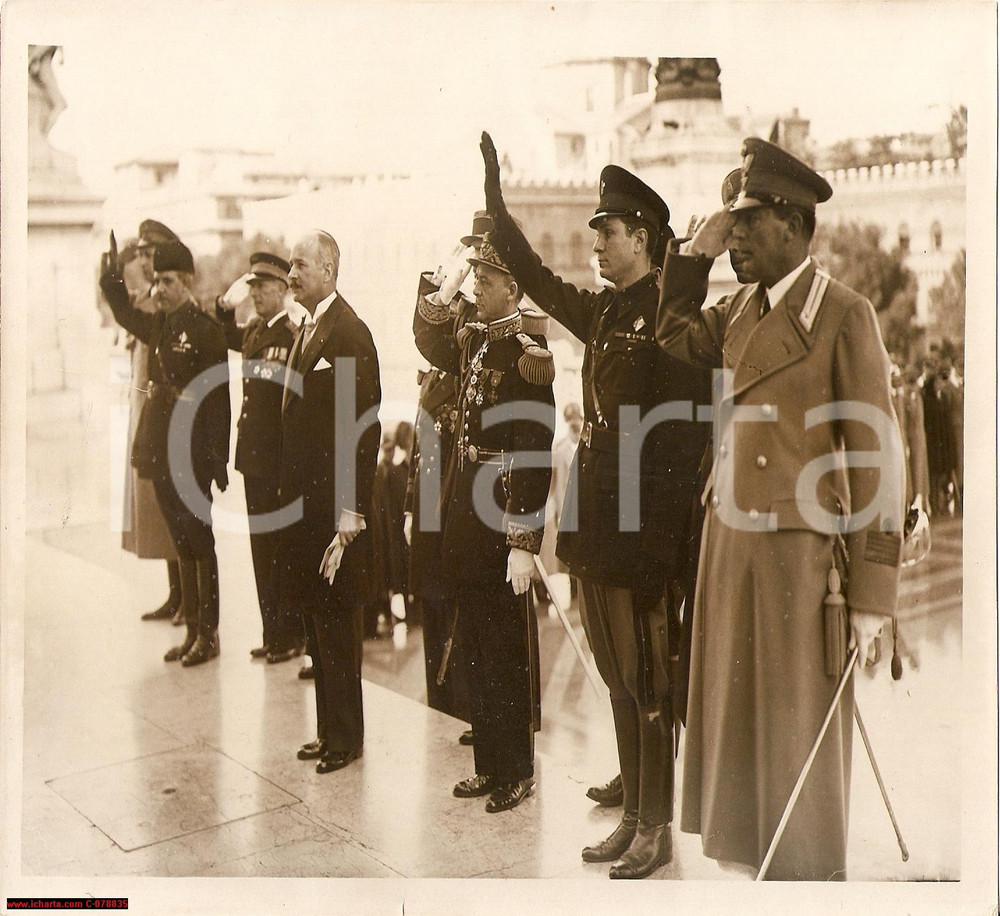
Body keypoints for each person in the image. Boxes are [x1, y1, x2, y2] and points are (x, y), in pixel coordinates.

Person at [656, 137, 905, 880]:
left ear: (793, 225)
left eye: (747, 223)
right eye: (731, 224)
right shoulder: (737, 311)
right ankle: (745, 866)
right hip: (730, 555)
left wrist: (873, 599)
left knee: (795, 745)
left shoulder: (844, 315)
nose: (734, 236)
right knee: (736, 739)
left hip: (800, 567)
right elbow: (671, 332)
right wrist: (693, 256)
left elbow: (879, 462)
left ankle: (802, 878)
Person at [479, 134, 711, 877]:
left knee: (649, 681)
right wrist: (497, 208)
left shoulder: (671, 319)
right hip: (599, 523)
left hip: (642, 533)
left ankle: (654, 826)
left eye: (607, 233)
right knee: (617, 675)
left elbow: (685, 443)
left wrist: (661, 546)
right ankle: (634, 810)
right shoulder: (607, 312)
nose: (597, 246)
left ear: (642, 238)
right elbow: (540, 282)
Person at [413, 231, 555, 814]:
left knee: (504, 647)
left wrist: (524, 540)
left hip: (500, 511)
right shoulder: (473, 340)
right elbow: (427, 336)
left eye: (485, 279)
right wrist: (444, 282)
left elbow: (535, 451)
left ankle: (516, 769)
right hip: (466, 511)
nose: (476, 286)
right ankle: (489, 765)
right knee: (473, 636)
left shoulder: (528, 355)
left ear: (513, 288)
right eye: (474, 277)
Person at [277, 230, 382, 774]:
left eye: (300, 265)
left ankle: (346, 737)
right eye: (290, 266)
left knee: (338, 624)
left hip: (334, 507)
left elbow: (363, 428)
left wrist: (352, 508)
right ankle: (327, 730)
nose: (290, 274)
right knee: (319, 624)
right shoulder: (309, 327)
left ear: (329, 269)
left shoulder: (348, 332)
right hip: (306, 505)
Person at [100, 237, 231, 666]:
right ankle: (192, 629)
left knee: (199, 541)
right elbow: (124, 313)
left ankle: (208, 633)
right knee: (180, 540)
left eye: (168, 281)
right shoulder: (159, 324)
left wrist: (217, 461)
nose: (159, 289)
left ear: (187, 281)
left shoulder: (207, 331)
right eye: (156, 281)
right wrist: (112, 279)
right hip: (160, 446)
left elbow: (219, 402)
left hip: (191, 452)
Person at [215, 252, 302, 663]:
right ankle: (272, 633)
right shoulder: (253, 331)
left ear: (282, 289)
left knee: (283, 550)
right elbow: (224, 332)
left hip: (277, 461)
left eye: (263, 287)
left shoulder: (291, 335)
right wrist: (224, 305)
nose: (255, 295)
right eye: (252, 288)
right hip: (253, 458)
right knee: (261, 549)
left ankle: (289, 635)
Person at [119, 220, 183, 623]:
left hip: (163, 409)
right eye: (140, 253)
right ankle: (176, 594)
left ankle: (186, 597)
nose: (143, 260)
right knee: (160, 507)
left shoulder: (162, 301)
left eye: (149, 252)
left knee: (175, 507)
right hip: (145, 408)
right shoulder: (144, 297)